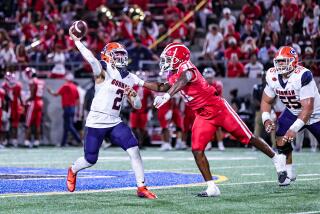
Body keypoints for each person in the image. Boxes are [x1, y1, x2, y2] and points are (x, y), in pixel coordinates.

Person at [140, 42, 287, 196]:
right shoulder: (173, 72)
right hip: (202, 114)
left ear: (178, 59)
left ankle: (276, 158)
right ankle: (212, 187)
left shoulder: (187, 68)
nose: (165, 62)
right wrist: (140, 82)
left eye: (169, 58)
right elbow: (163, 86)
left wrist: (168, 95)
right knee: (197, 150)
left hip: (218, 109)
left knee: (248, 137)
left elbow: (184, 79)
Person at [66, 27, 157, 199]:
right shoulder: (103, 71)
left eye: (122, 55)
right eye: (117, 55)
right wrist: (77, 41)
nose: (121, 58)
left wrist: (132, 95)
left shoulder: (128, 76)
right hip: (96, 122)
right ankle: (72, 170)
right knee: (90, 160)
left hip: (115, 121)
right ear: (108, 56)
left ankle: (142, 187)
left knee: (134, 149)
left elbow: (137, 106)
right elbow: (92, 60)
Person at [261, 46, 320, 186]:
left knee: (288, 132)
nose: (280, 64)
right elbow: (266, 100)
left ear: (293, 61)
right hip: (293, 111)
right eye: (279, 61)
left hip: (316, 114)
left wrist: (294, 129)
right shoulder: (272, 75)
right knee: (281, 139)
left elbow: (308, 109)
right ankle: (288, 172)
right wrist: (266, 118)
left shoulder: (303, 75)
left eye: (284, 61)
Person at [47, 73, 82, 147]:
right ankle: (63, 143)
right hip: (73, 108)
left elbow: (56, 94)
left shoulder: (66, 86)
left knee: (69, 126)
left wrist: (50, 91)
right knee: (66, 126)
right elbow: (77, 100)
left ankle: (79, 140)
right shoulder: (75, 87)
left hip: (67, 108)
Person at [202, 68, 225, 151]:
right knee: (206, 127)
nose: (208, 79)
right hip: (205, 108)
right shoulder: (202, 85)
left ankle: (220, 144)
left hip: (216, 107)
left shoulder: (218, 85)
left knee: (218, 127)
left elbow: (217, 98)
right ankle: (208, 144)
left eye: (210, 78)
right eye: (207, 78)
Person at [24, 67, 45, 148]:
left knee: (28, 123)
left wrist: (26, 100)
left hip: (34, 102)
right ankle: (37, 141)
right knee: (37, 124)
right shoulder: (41, 82)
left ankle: (27, 141)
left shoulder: (33, 82)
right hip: (40, 102)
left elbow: (32, 95)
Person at [2, 72, 23, 147]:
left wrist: (22, 106)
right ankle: (5, 141)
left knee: (14, 125)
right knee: (5, 125)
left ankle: (13, 141)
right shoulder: (4, 86)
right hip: (8, 107)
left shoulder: (17, 86)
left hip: (14, 107)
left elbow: (19, 97)